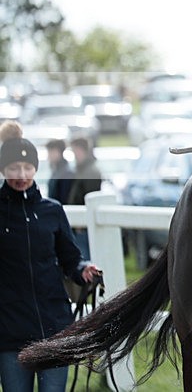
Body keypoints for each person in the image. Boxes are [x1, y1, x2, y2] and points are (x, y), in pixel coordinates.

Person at [0, 121, 101, 392]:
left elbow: (70, 258)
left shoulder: (52, 211)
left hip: (54, 327)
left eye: (26, 168)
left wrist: (83, 269)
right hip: (10, 331)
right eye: (12, 168)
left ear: (35, 168)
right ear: (2, 170)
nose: (20, 174)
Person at [66, 137, 102, 259]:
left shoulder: (90, 171)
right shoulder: (83, 169)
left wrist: (83, 218)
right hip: (81, 223)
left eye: (75, 150)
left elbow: (90, 196)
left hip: (84, 225)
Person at [44, 138, 74, 204]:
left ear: (58, 152)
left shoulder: (66, 173)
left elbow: (64, 199)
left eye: (50, 152)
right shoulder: (56, 170)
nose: (48, 156)